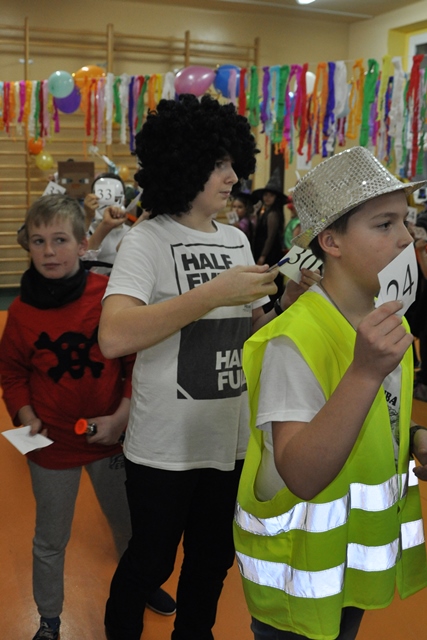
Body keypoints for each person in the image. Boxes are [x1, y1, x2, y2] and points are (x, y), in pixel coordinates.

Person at [99, 94, 320, 640]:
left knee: (212, 561)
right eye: (219, 164)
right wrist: (213, 293)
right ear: (184, 164)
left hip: (229, 443)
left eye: (233, 163)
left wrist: (287, 303)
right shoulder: (146, 240)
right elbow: (114, 335)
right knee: (150, 562)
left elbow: (253, 330)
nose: (233, 177)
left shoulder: (237, 240)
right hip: (163, 448)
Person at [233, 146, 427, 640]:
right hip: (298, 584)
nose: (406, 238)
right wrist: (364, 373)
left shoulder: (389, 322)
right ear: (331, 241)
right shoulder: (293, 340)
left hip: (352, 570)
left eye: (405, 221)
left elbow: (381, 417)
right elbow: (301, 473)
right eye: (384, 224)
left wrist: (413, 437)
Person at [0, 194, 175, 640]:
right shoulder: (20, 313)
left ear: (83, 245)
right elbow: (13, 372)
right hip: (51, 446)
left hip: (109, 438)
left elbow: (135, 361)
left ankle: (142, 584)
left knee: (130, 528)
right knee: (49, 539)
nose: (49, 251)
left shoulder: (108, 298)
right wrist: (25, 413)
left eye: (60, 240)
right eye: (38, 241)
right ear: (28, 246)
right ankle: (49, 620)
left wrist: (121, 416)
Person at [252, 168, 289, 307]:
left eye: (271, 196)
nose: (267, 198)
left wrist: (263, 256)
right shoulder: (265, 211)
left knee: (270, 282)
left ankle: (272, 308)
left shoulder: (273, 214)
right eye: (265, 195)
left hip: (270, 254)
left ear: (276, 198)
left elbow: (270, 237)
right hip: (265, 252)